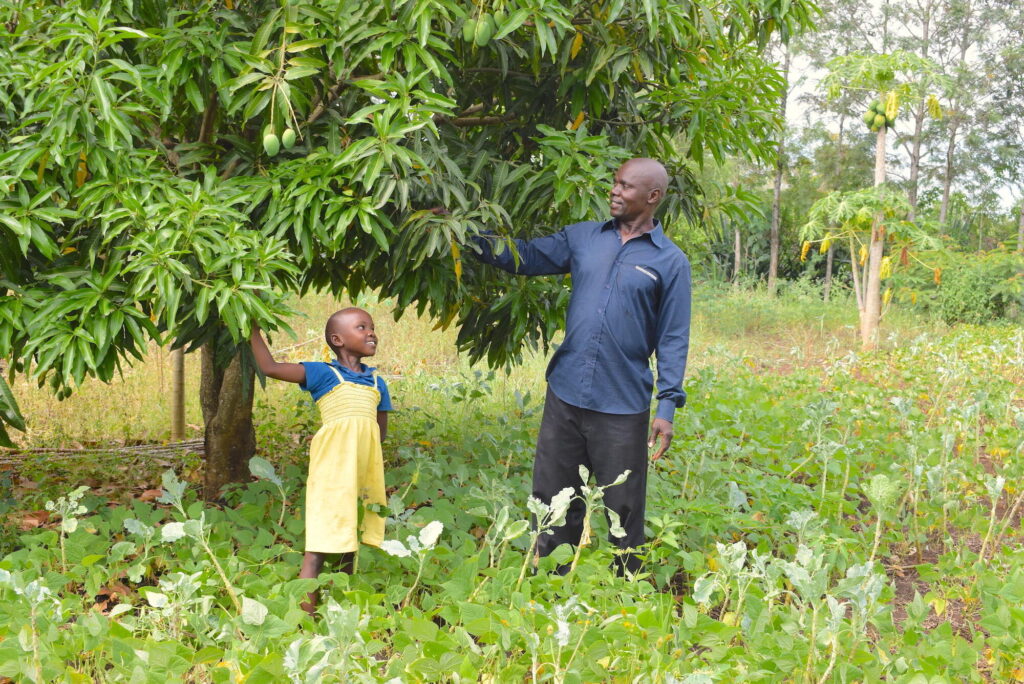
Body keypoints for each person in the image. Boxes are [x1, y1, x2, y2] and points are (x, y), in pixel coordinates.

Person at [471, 157, 691, 574]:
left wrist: (667, 408)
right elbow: (526, 256)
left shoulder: (670, 262)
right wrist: (464, 235)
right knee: (554, 495)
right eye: (615, 181)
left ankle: (627, 584)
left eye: (626, 186)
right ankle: (550, 577)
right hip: (566, 392)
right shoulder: (584, 238)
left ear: (652, 196)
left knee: (623, 505)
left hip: (622, 402)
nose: (615, 190)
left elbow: (673, 336)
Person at [249, 307, 393, 614]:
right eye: (361, 327)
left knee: (349, 543)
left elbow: (378, 434)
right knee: (317, 548)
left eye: (372, 327)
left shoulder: (378, 381)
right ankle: (305, 620)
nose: (371, 332)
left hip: (363, 474)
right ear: (338, 339)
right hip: (332, 474)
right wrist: (252, 330)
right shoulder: (324, 374)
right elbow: (270, 367)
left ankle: (340, 613)